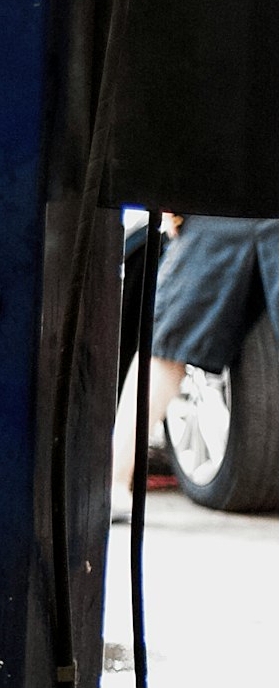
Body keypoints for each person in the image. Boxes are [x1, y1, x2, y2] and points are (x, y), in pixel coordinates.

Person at [114, 213, 279, 517]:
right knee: (166, 346)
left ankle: (114, 483)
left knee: (167, 347)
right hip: (225, 204)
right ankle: (114, 481)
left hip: (225, 201)